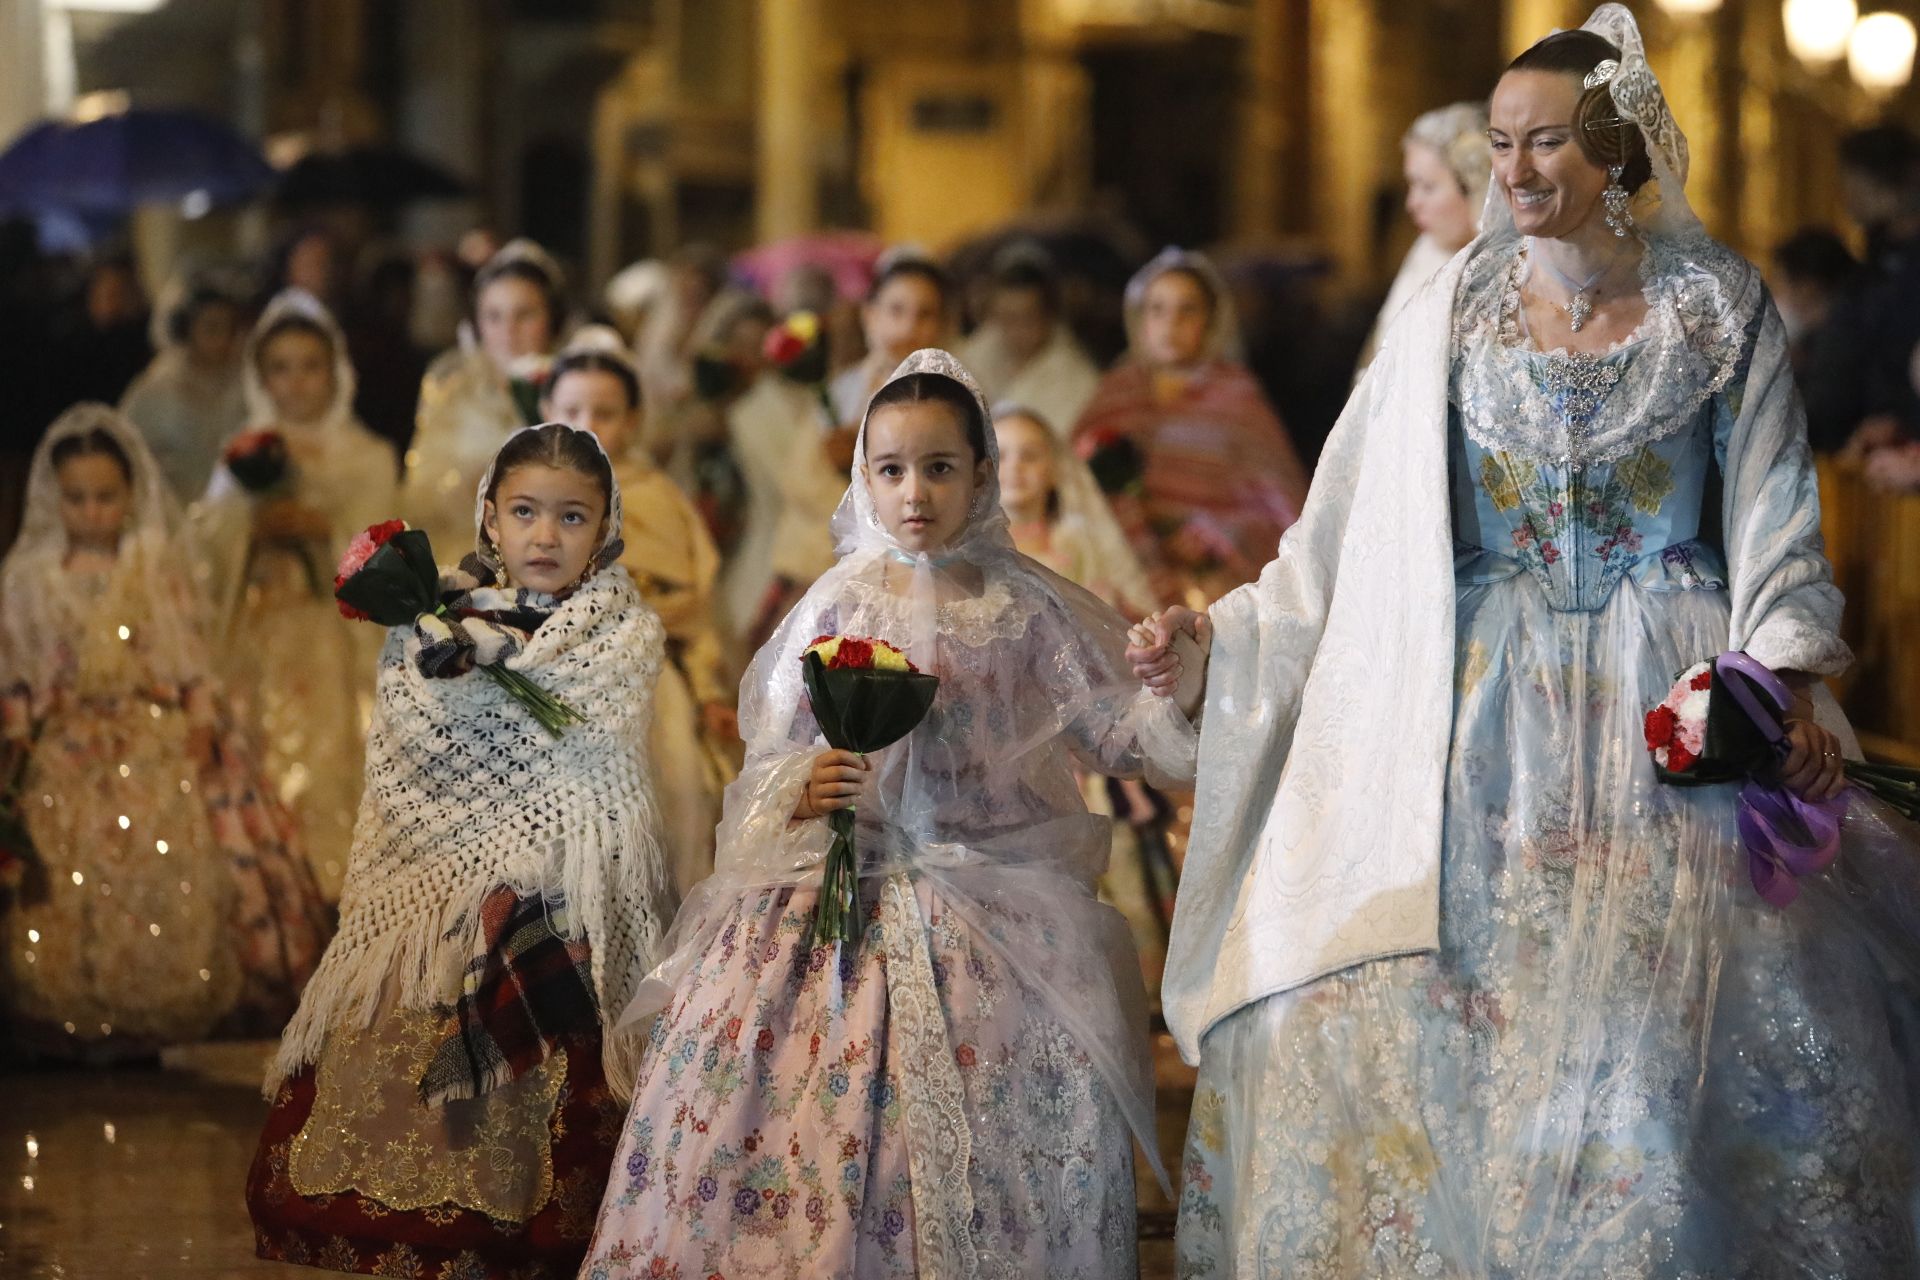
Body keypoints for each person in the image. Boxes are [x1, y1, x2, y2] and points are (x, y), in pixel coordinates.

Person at [1135, 9, 1920, 1274]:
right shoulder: (1451, 309)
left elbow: (1777, 517)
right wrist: (1220, 641)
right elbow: (1340, 528)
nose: (1514, 170)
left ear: (1614, 147)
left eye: (1544, 140)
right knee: (1445, 1009)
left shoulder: (1715, 305)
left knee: (1660, 1037)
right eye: (1501, 143)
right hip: (1479, 704)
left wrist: (1773, 681)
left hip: (1669, 699)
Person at [577, 350, 1198, 1278]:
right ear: (863, 477)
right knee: (800, 1126)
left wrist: (1178, 686)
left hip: (996, 908)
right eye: (892, 469)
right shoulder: (837, 601)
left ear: (983, 475)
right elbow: (771, 760)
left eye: (941, 468)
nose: (916, 493)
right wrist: (805, 788)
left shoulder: (1024, 607)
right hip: (844, 900)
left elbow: (1117, 735)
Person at [246, 422, 673, 1280]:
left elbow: (598, 774)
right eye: (525, 512)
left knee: (532, 954)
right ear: (489, 517)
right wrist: (475, 857)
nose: (545, 536)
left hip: (559, 887)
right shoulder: (432, 625)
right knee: (429, 983)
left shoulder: (624, 634)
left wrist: (532, 865)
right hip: (436, 887)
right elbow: (415, 753)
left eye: (571, 517)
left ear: (606, 528)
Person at [0, 407, 327, 1059]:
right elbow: (18, 668)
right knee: (66, 866)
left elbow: (187, 659)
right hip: (67, 743)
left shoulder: (150, 564)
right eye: (77, 499)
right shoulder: (30, 578)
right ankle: (72, 1002)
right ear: (53, 499)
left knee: (161, 854)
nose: (92, 512)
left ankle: (154, 999)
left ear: (130, 495)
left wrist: (201, 723)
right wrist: (19, 733)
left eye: (105, 497)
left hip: (148, 734)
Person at [193, 290, 397, 902]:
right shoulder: (243, 458)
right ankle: (262, 891)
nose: (297, 383)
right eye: (280, 368)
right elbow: (205, 546)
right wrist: (249, 529)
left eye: (310, 366)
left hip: (334, 640)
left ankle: (330, 890)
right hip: (259, 630)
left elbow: (387, 549)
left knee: (331, 755)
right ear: (260, 377)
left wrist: (326, 532)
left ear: (335, 372)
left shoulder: (369, 455)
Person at [541, 329, 735, 900]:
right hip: (550, 683)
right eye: (573, 409)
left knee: (666, 812)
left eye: (606, 411)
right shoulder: (521, 493)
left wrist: (707, 689)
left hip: (650, 686)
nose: (589, 424)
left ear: (633, 419)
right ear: (548, 410)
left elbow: (693, 607)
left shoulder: (656, 497)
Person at [1071, 248, 1310, 605]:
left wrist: (1210, 538)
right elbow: (1072, 483)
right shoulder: (1115, 391)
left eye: (1188, 309)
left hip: (1210, 584)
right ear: (1139, 319)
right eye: (1158, 309)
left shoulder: (1237, 397)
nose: (1171, 324)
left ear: (1210, 320)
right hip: (1119, 577)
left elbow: (1280, 507)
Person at [403, 238, 567, 554]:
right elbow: (421, 494)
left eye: (525, 314)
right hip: (467, 552)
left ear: (552, 318)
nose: (509, 330)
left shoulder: (574, 389)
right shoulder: (453, 390)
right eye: (494, 316)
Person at [1797, 125, 1920, 456]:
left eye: (1852, 183)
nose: (1847, 197)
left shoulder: (1902, 270)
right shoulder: (1874, 265)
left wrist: (1900, 422)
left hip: (1892, 447)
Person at [1355, 101, 1490, 376]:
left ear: (1474, 185)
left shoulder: (1506, 267)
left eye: (1428, 187)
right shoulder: (1426, 253)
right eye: (1411, 185)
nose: (1412, 204)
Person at [119, 274, 249, 501]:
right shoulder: (156, 389)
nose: (222, 339)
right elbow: (127, 451)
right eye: (211, 328)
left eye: (229, 328)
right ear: (188, 329)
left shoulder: (247, 382)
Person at [959, 244, 1104, 439]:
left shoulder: (1077, 379)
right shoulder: (977, 351)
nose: (1015, 331)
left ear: (1049, 316)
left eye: (1026, 319)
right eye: (1007, 318)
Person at [1770, 227, 1860, 391]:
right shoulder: (1808, 344)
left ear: (1808, 287)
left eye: (1783, 282)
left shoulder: (1838, 345)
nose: (1778, 293)